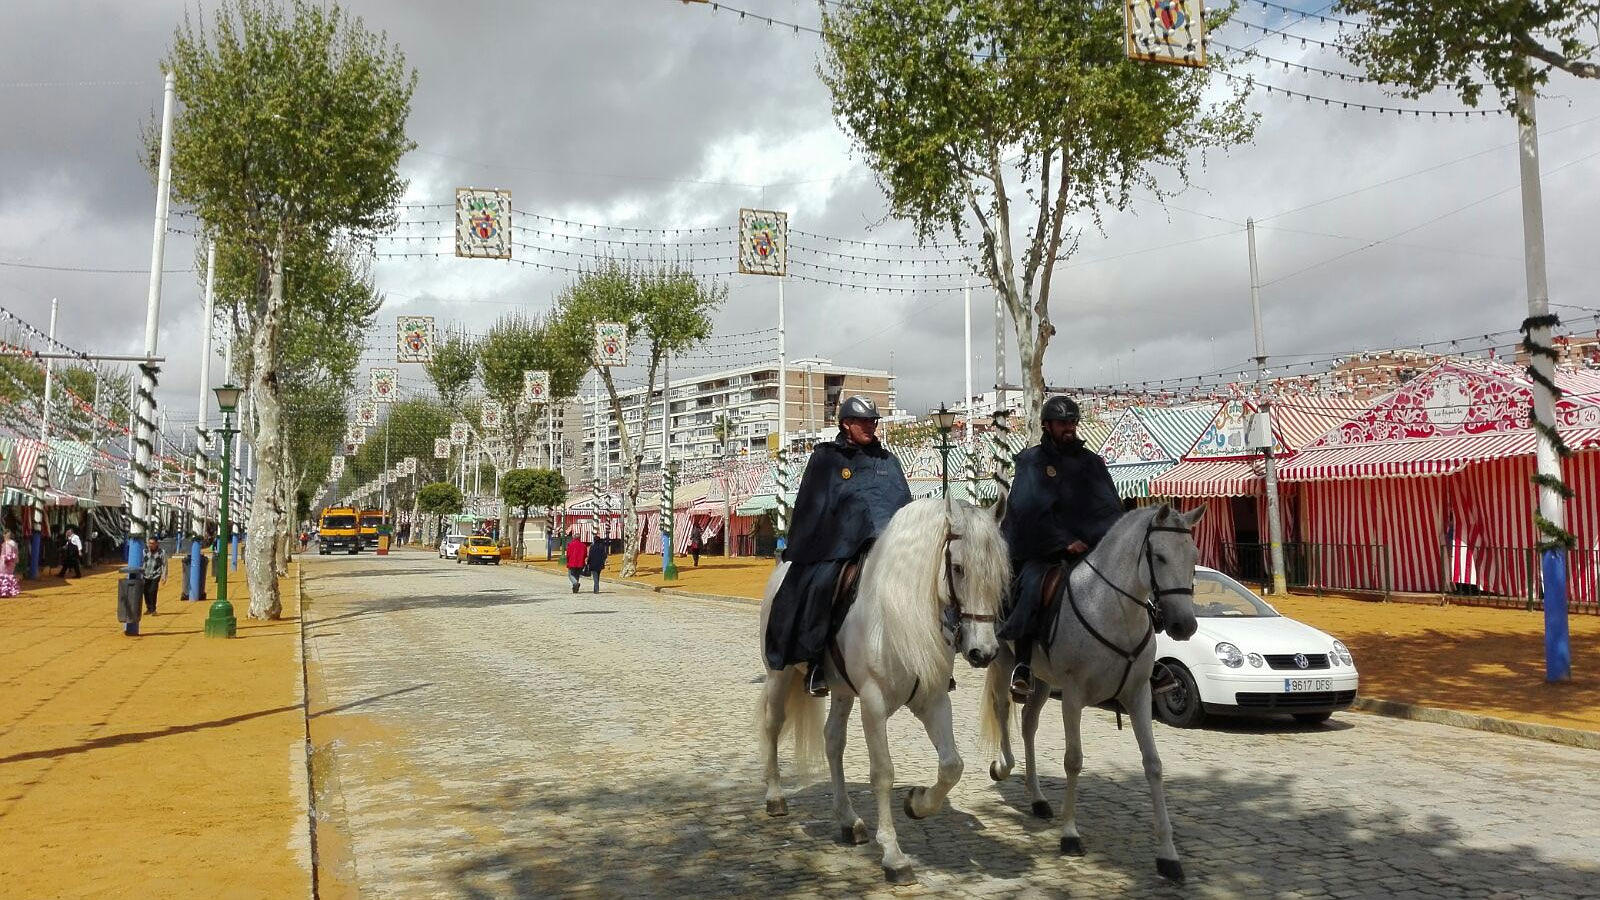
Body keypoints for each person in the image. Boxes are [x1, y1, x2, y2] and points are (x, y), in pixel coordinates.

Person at [764, 396, 912, 697]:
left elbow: (900, 503)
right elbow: (814, 505)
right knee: (821, 586)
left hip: (888, 545)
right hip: (838, 546)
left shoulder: (887, 461)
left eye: (874, 420)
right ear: (847, 424)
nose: (871, 426)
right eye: (864, 421)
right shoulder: (826, 458)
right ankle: (815, 660)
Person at [998, 396, 1126, 700]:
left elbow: (1109, 507)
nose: (1068, 428)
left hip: (1091, 550)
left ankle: (1141, 661)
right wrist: (1063, 541)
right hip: (1044, 550)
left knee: (1130, 584)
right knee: (1031, 585)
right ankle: (1023, 664)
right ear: (1047, 425)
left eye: (1072, 422)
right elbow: (1027, 511)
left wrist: (1116, 538)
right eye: (1062, 423)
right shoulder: (1032, 462)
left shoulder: (1091, 463)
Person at [141, 537, 166, 615]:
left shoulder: (162, 552)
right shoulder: (145, 551)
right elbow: (142, 562)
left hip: (156, 574)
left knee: (153, 591)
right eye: (149, 543)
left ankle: (153, 609)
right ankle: (148, 608)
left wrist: (164, 576)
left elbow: (164, 565)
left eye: (152, 543)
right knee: (146, 591)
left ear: (156, 544)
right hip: (146, 575)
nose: (150, 545)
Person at [0, 529, 20, 598]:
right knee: (7, 576)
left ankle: (5, 592)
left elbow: (10, 554)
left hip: (7, 562)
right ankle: (7, 592)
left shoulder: (9, 543)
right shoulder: (11, 543)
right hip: (7, 561)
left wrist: (6, 560)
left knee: (5, 575)